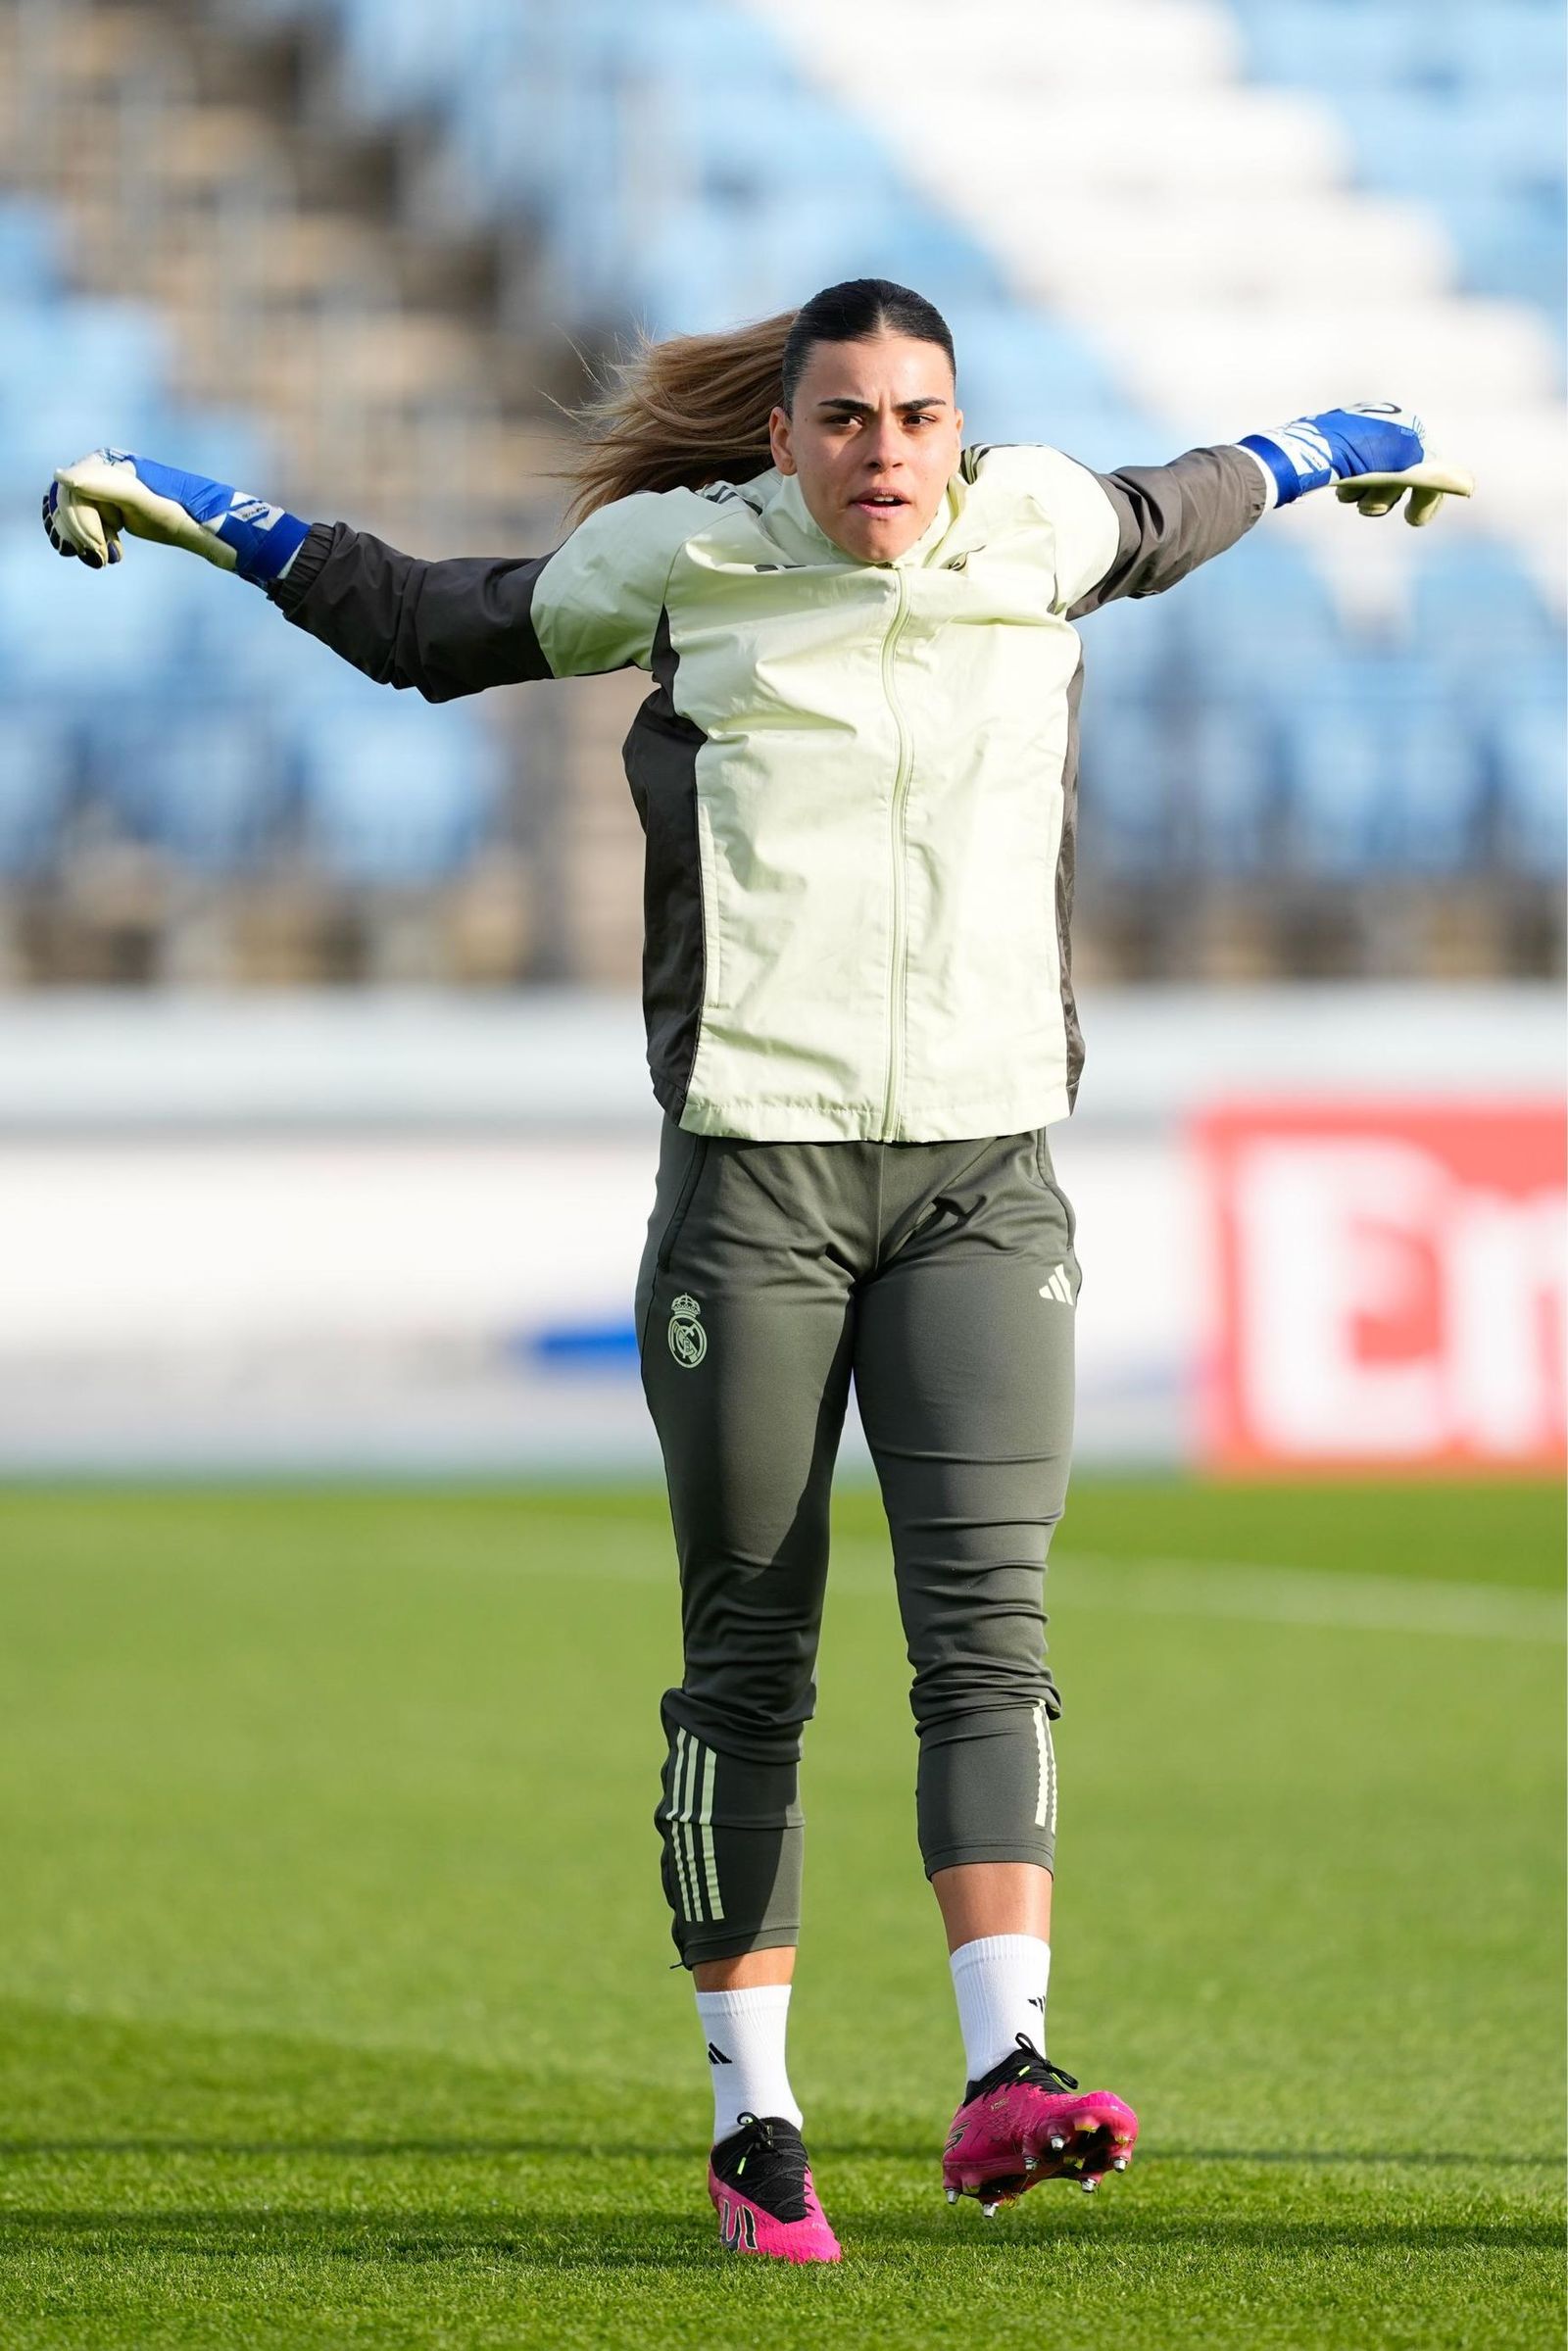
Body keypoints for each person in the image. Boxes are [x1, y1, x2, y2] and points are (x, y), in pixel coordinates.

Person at [43, 278, 1470, 2266]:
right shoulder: (682, 561)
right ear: (782, 438)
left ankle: (1008, 2069)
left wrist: (1345, 443)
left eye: (919, 417)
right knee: (750, 1662)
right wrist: (211, 510)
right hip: (756, 1191)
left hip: (985, 1178)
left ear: (960, 431)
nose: (888, 453)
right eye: (846, 419)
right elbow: (427, 627)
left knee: (989, 1637)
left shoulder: (1038, 524)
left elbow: (1198, 495)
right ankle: (754, 2127)